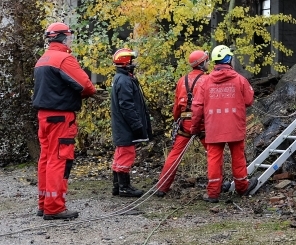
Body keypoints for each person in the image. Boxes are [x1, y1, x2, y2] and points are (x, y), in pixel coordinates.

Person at [33, 22, 96, 221]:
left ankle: (44, 204)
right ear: (62, 37)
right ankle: (54, 208)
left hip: (44, 116)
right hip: (61, 118)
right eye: (69, 36)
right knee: (58, 160)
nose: (71, 40)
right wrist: (90, 93)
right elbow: (85, 85)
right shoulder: (64, 58)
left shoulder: (42, 59)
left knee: (45, 159)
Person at [190, 45, 256, 202]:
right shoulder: (240, 80)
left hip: (213, 128)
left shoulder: (205, 82)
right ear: (229, 60)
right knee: (238, 157)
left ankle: (213, 193)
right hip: (234, 126)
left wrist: (194, 128)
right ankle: (242, 188)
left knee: (213, 159)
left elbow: (197, 107)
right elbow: (249, 100)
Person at [155, 50, 209, 197]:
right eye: (207, 61)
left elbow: (177, 107)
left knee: (175, 154)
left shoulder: (182, 80)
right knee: (213, 154)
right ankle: (216, 185)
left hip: (185, 122)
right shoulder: (207, 80)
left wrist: (177, 120)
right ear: (202, 63)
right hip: (203, 123)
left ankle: (162, 187)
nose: (209, 63)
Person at [110, 47, 152, 198]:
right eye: (131, 60)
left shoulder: (121, 79)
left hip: (122, 126)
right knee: (126, 154)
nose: (133, 63)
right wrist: (137, 125)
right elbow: (127, 106)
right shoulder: (124, 80)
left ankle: (118, 186)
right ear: (126, 62)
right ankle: (124, 187)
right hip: (125, 126)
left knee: (120, 154)